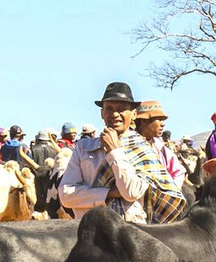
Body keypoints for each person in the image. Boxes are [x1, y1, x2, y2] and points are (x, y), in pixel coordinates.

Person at [59, 81, 187, 224]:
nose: (114, 114)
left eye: (121, 109)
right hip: (89, 231)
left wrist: (115, 151)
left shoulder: (143, 149)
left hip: (129, 233)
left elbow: (131, 192)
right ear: (102, 113)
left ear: (133, 114)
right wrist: (109, 193)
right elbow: (65, 195)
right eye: (109, 108)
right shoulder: (84, 147)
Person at [134, 100, 185, 190]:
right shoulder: (129, 144)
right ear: (143, 121)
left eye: (163, 120)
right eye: (159, 119)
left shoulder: (160, 148)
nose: (163, 124)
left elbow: (178, 172)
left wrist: (170, 192)